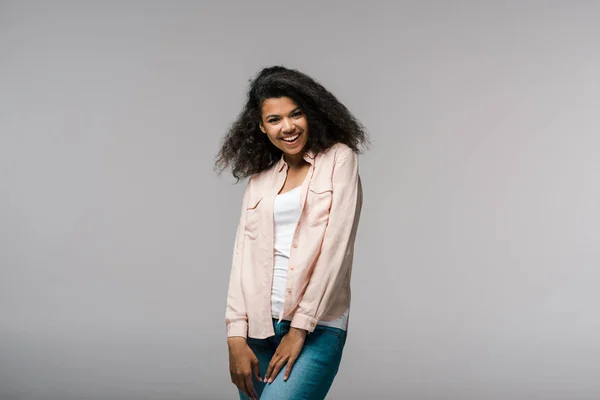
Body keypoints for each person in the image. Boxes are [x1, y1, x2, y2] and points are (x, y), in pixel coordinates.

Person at [215, 65, 368, 400]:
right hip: (257, 329)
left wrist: (300, 328)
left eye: (295, 114)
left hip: (317, 327)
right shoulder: (260, 181)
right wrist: (235, 336)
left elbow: (336, 249)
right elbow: (243, 260)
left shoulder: (338, 160)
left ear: (310, 114)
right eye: (274, 119)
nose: (288, 127)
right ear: (262, 127)